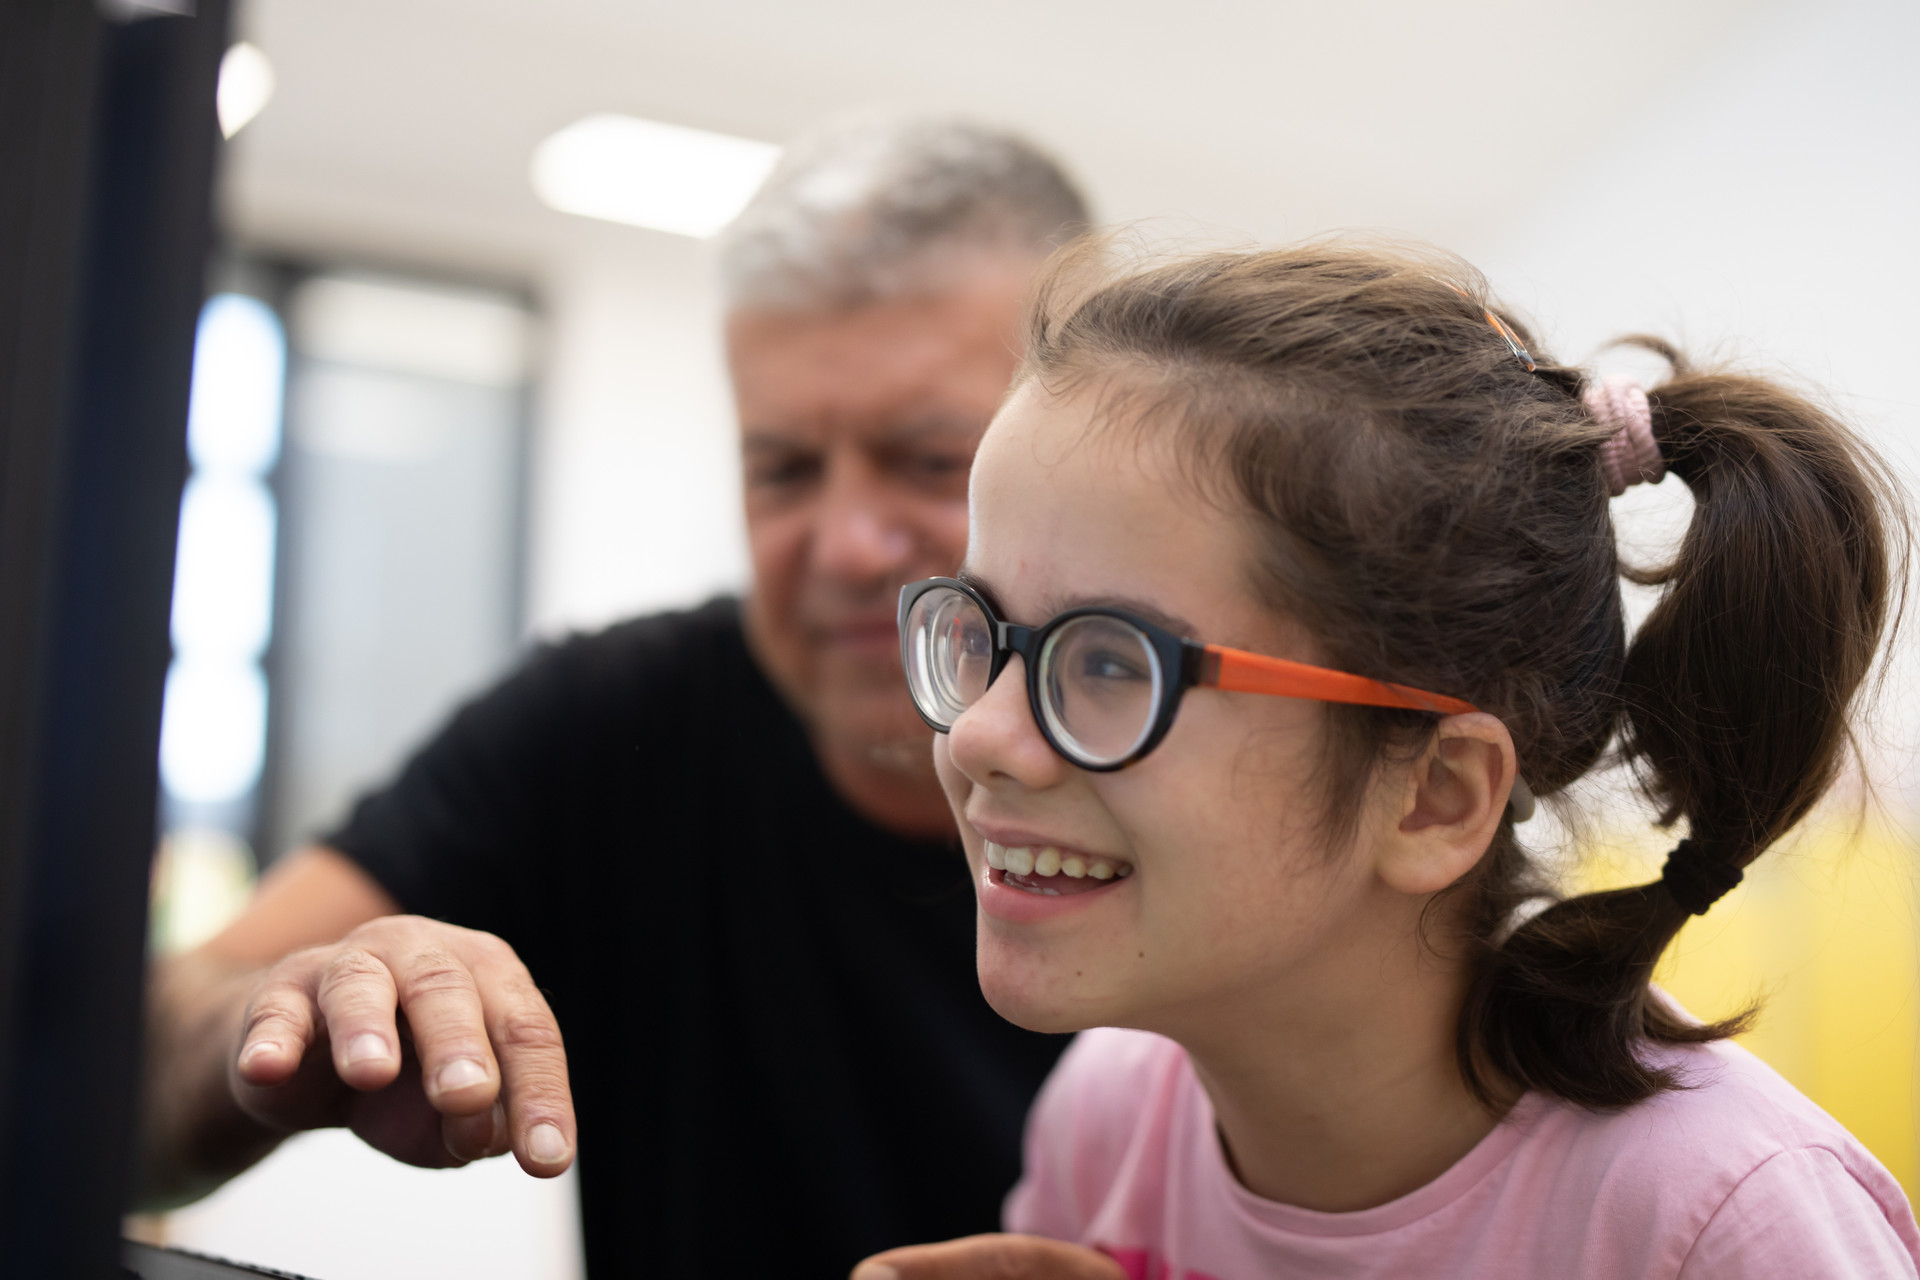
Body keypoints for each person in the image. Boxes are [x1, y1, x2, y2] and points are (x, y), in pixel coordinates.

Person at [857, 239, 1920, 1278]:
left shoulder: (1722, 1224)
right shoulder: (1116, 1113)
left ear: (1434, 795)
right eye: (980, 633)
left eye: (1110, 663)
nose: (980, 735)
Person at [138, 118, 1092, 1276]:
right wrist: (278, 1017)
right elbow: (122, 1086)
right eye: (783, 469)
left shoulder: (1205, 767)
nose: (846, 543)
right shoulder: (615, 724)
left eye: (932, 460)